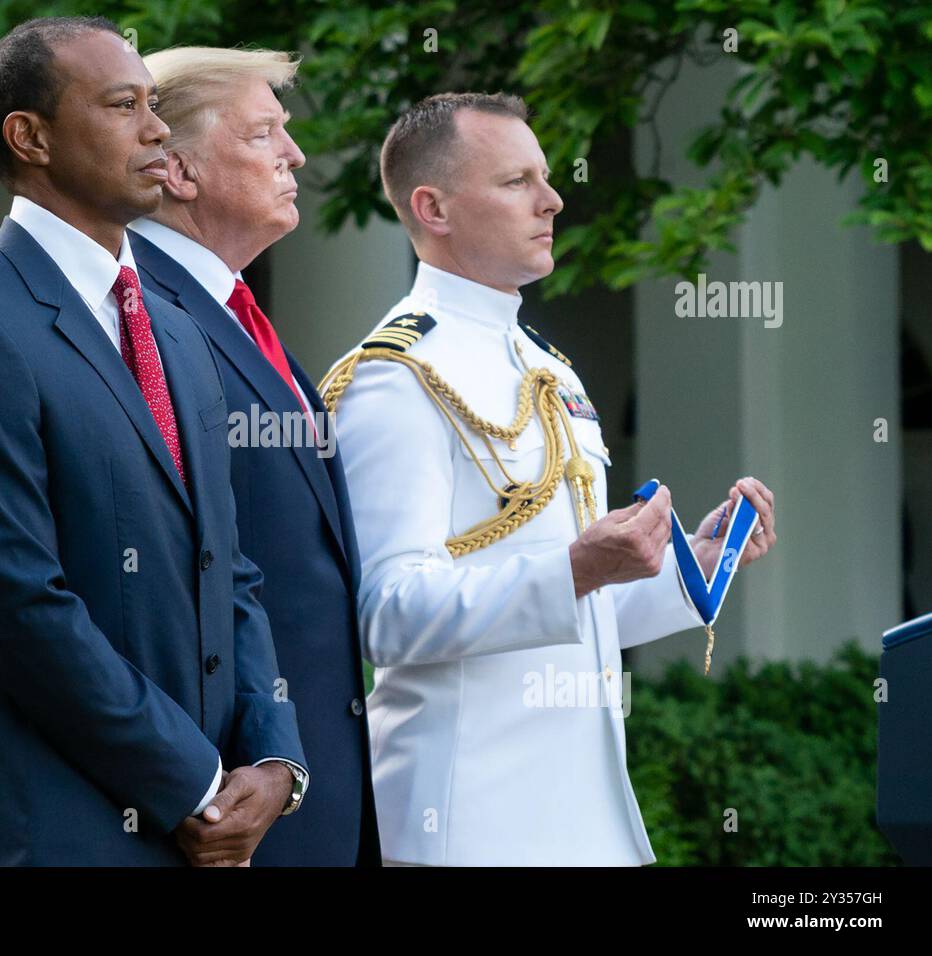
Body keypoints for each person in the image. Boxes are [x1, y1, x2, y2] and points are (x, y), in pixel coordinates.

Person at [322, 92, 779, 866]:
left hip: (585, 816)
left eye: (544, 175)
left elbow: (579, 616)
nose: (553, 197)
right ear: (433, 207)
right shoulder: (397, 376)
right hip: (464, 826)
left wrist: (691, 565)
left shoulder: (545, 365)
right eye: (516, 181)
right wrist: (576, 567)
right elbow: (388, 616)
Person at [0, 16, 305, 866]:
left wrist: (272, 756)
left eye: (156, 105)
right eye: (124, 105)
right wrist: (193, 783)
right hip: (56, 834)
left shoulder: (176, 330)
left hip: (210, 829)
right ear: (30, 136)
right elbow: (20, 612)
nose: (157, 129)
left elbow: (230, 566)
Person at [129, 46, 379, 866]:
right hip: (236, 801)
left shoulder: (229, 311)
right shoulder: (145, 319)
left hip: (307, 785)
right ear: (177, 168)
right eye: (263, 131)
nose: (295, 153)